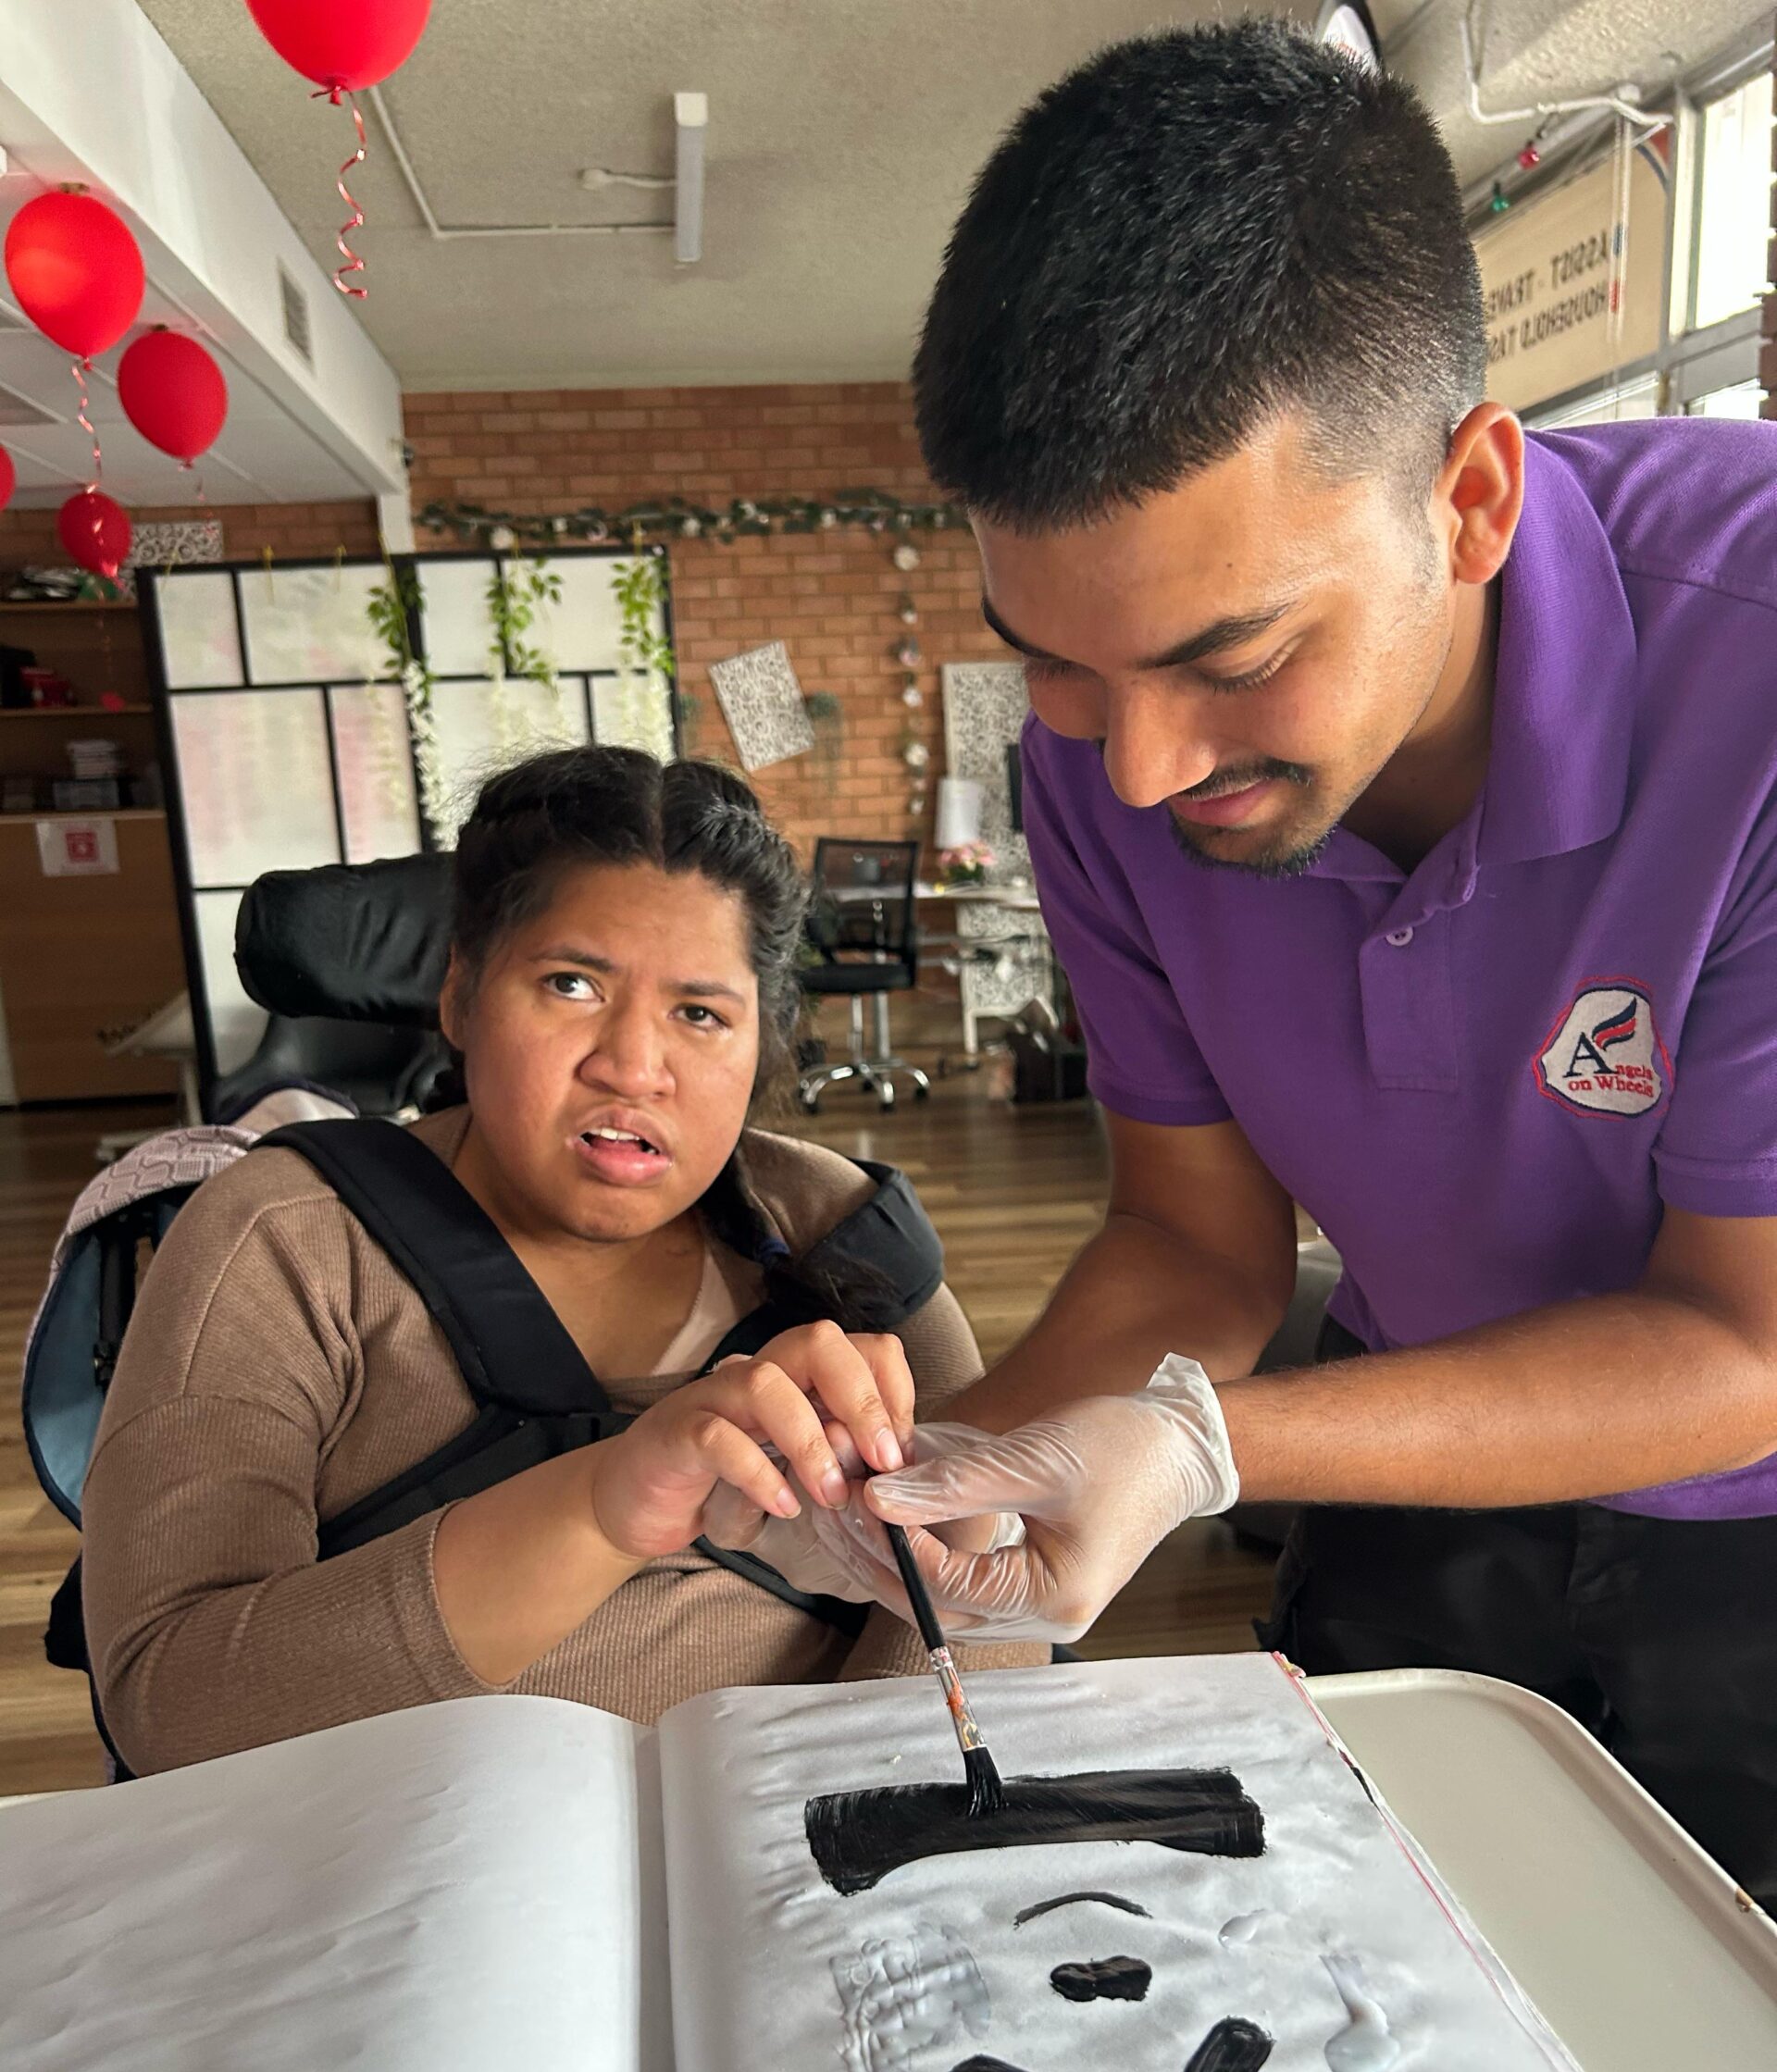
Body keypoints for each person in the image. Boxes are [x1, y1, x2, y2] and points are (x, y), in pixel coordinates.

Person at [809, 22, 1777, 1907]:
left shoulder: (1751, 681)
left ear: (1470, 500)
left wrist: (1193, 1443)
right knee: (1372, 2000)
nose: (1143, 768)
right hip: (1398, 1457)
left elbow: (1746, 1342)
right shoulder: (1092, 760)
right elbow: (1199, 1242)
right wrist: (953, 1502)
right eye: (1060, 656)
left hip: (1755, 1534)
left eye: (1235, 658)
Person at [80, 749, 1038, 1775]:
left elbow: (991, 1615)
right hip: (398, 1868)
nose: (632, 1064)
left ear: (764, 1043)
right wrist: (597, 1511)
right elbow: (169, 1701)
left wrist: (838, 1828)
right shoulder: (287, 1242)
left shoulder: (845, 1242)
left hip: (789, 1865)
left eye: (701, 1013)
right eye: (571, 984)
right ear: (460, 995)